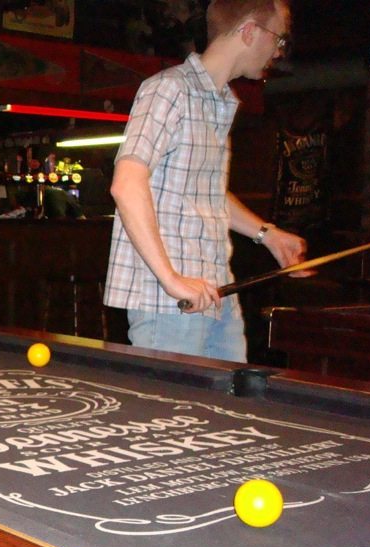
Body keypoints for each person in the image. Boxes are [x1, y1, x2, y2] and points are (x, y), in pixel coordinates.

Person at [104, 0, 306, 363]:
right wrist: (171, 279)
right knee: (174, 403)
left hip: (216, 289)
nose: (278, 51)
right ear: (249, 31)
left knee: (229, 398)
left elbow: (207, 193)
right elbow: (127, 183)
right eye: (278, 39)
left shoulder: (220, 100)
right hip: (169, 301)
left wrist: (268, 235)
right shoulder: (169, 89)